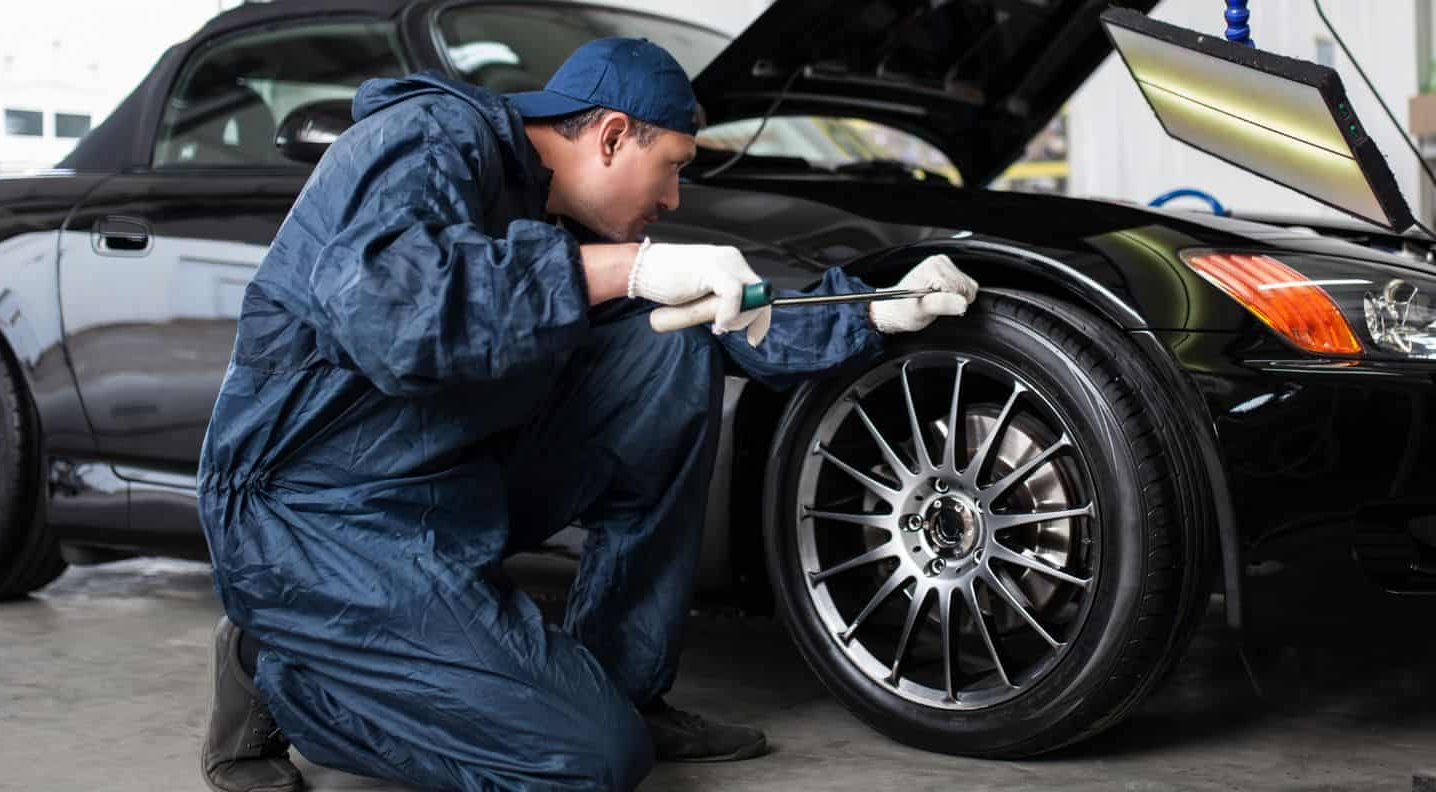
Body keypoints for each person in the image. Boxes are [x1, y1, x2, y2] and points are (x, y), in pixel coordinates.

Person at [197, 38, 977, 792]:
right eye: (671, 168)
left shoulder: (551, 209)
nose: (672, 199)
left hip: (439, 471)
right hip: (308, 511)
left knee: (668, 344)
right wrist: (628, 267)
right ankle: (285, 669)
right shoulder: (426, 137)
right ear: (610, 136)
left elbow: (726, 321)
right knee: (587, 760)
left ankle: (623, 683)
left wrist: (876, 309)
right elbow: (393, 314)